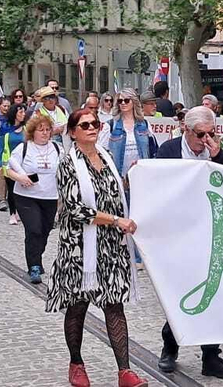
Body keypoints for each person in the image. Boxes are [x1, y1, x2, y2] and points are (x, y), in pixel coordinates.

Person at [46, 110, 147, 387]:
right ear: (73, 132)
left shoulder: (107, 156)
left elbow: (115, 192)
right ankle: (76, 364)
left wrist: (135, 175)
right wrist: (115, 220)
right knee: (77, 307)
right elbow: (76, 209)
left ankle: (125, 371)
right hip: (79, 248)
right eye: (85, 125)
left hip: (111, 246)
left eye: (95, 124)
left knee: (114, 306)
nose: (92, 128)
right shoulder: (67, 164)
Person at [152, 106, 223, 380]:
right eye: (201, 134)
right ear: (186, 130)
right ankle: (170, 346)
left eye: (211, 133)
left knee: (212, 291)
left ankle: (211, 355)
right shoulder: (169, 151)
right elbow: (158, 186)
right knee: (180, 292)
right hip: (179, 232)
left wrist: (218, 156)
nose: (206, 139)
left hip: (211, 230)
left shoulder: (215, 151)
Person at [7, 112, 62, 283]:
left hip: (50, 196)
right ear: (33, 132)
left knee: (45, 230)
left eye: (47, 129)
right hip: (26, 196)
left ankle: (37, 256)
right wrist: (20, 177)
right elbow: (8, 169)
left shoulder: (57, 148)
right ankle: (34, 266)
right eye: (41, 130)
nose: (45, 133)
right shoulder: (24, 148)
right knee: (34, 229)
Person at [106, 88, 156, 205]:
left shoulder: (145, 124)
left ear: (134, 102)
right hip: (119, 178)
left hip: (141, 177)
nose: (123, 103)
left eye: (126, 100)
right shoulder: (111, 125)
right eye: (120, 101)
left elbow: (153, 150)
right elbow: (103, 152)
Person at [0, 104, 30, 225]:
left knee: (23, 189)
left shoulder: (26, 129)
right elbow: (1, 147)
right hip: (9, 164)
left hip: (23, 163)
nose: (23, 114)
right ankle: (12, 213)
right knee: (11, 190)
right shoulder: (5, 128)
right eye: (20, 112)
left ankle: (20, 211)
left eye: (24, 112)